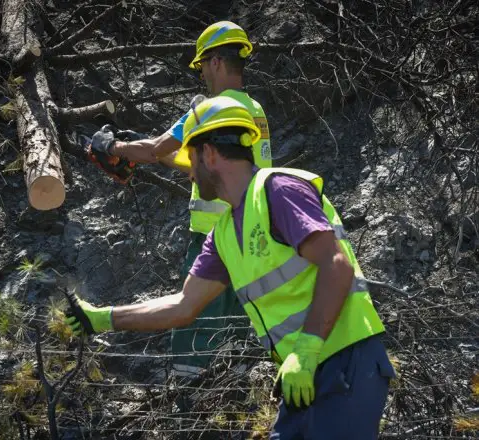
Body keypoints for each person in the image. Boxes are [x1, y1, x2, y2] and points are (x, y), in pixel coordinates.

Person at [67, 97, 396, 439]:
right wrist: (103, 318)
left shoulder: (277, 189)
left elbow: (335, 262)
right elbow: (184, 306)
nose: (190, 172)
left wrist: (307, 349)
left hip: (344, 360)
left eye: (191, 159)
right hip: (302, 371)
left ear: (209, 153)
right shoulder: (223, 233)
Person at [89, 21, 273, 378]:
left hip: (212, 235)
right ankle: (230, 399)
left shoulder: (211, 109)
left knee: (195, 322)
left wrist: (112, 146)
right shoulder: (254, 111)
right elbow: (201, 166)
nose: (202, 73)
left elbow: (158, 147)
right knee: (235, 324)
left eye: (202, 65)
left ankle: (188, 400)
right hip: (251, 233)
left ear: (216, 61)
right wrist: (147, 150)